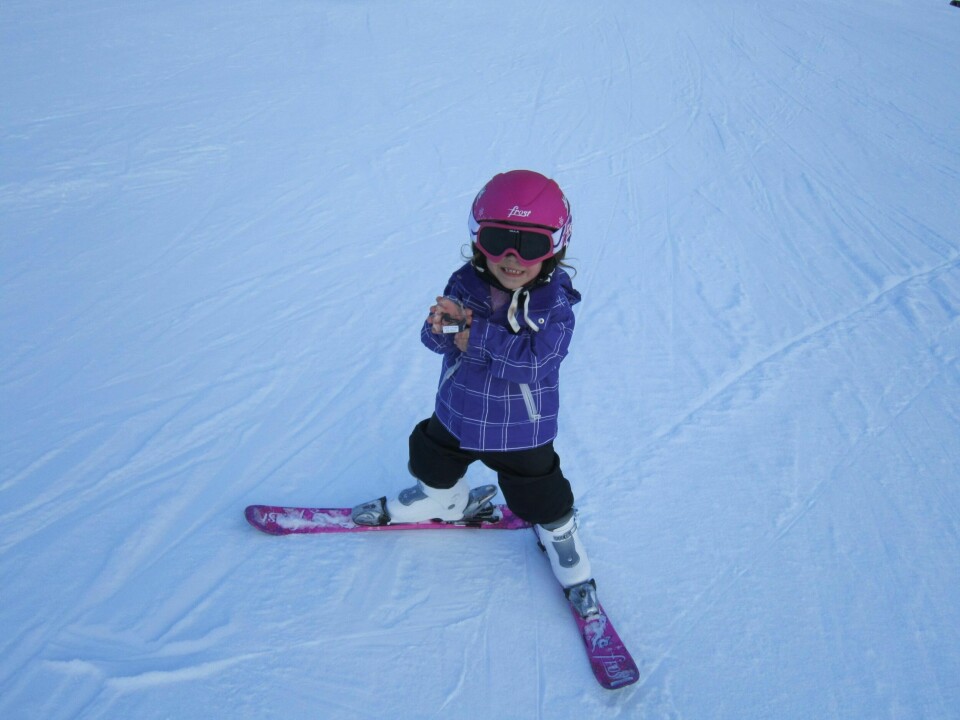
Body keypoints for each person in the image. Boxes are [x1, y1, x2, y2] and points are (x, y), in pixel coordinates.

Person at [355, 169, 593, 594]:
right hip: (458, 409)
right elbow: (437, 341)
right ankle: (440, 497)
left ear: (555, 247)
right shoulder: (465, 283)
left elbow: (538, 363)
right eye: (498, 240)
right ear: (477, 237)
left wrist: (473, 336)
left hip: (520, 429)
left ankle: (559, 532)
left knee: (538, 493)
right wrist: (440, 327)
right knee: (430, 454)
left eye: (531, 244)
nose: (512, 258)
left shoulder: (555, 304)